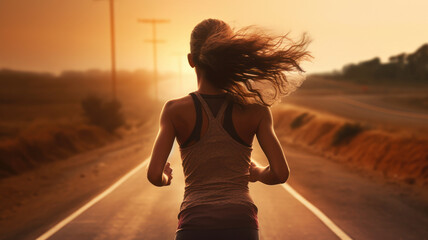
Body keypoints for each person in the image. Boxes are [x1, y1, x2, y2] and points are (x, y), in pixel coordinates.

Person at [147, 18, 312, 240]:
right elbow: (281, 173)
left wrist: (166, 177)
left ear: (191, 60)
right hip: (241, 223)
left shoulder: (174, 110)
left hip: (194, 224)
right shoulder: (256, 110)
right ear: (229, 59)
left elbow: (155, 175)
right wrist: (258, 173)